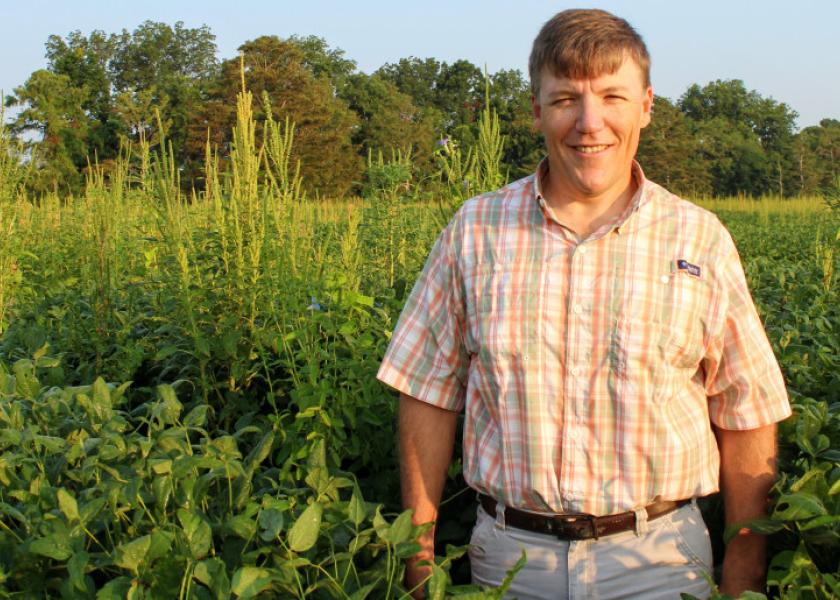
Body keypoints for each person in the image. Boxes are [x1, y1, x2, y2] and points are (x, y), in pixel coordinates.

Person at [377, 8, 791, 599]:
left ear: (646, 105)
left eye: (612, 96)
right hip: (511, 561)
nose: (590, 122)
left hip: (663, 560)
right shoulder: (475, 230)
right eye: (567, 98)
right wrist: (416, 559)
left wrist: (744, 569)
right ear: (536, 110)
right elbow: (426, 392)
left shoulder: (699, 238)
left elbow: (746, 408)